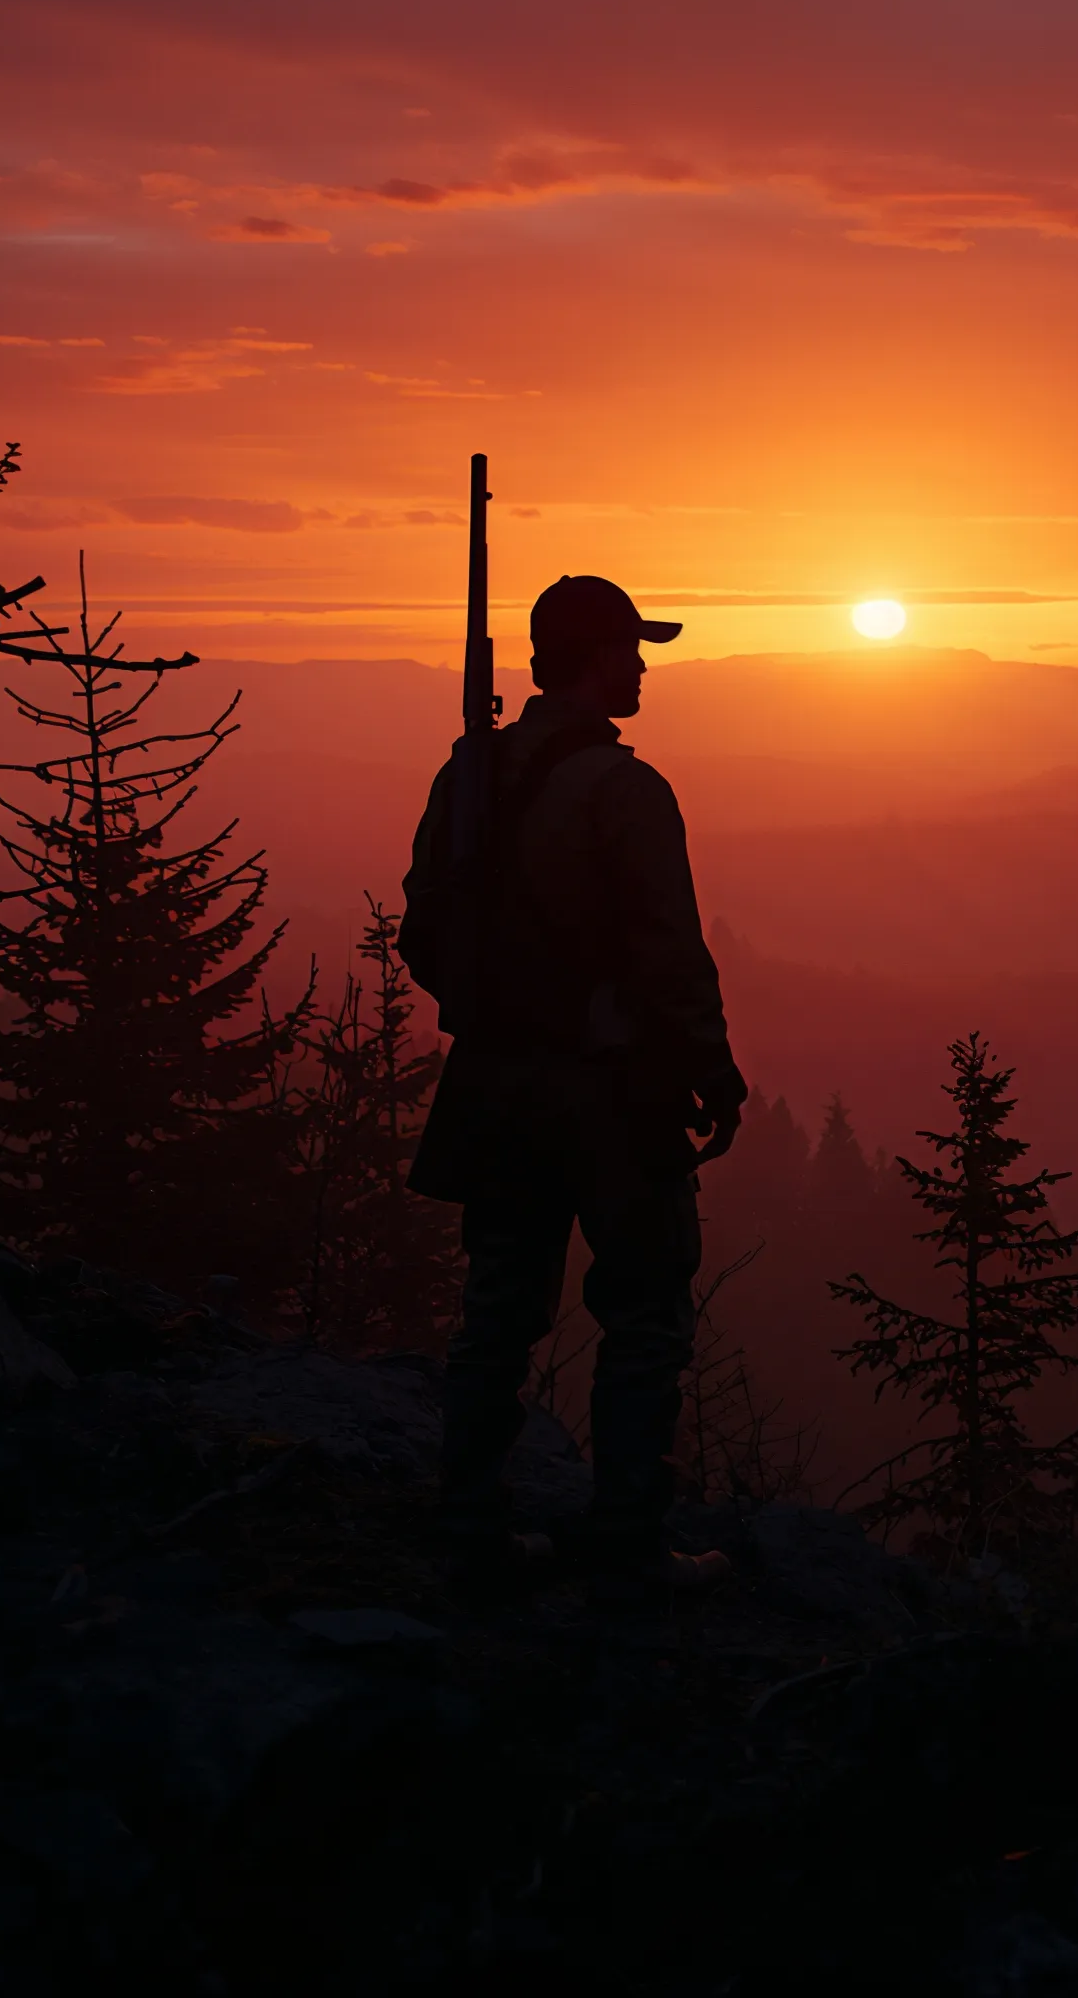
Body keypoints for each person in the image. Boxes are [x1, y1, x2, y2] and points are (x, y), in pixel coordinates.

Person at [401, 574, 749, 1595]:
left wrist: (498, 1005)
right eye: (631, 649)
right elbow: (670, 953)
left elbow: (424, 931)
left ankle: (468, 1526)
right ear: (594, 656)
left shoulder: (471, 775)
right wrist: (709, 1067)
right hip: (608, 1089)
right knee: (645, 1311)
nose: (641, 665)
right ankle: (628, 1544)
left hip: (495, 1085)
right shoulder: (625, 790)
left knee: (500, 1306)